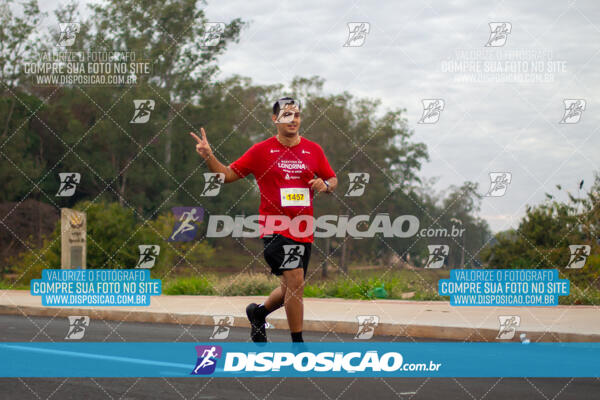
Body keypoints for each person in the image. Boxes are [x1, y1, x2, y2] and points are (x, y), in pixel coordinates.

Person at [189, 97, 337, 342]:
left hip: (303, 228)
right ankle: (298, 344)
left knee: (294, 286)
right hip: (275, 227)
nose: (293, 120)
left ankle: (258, 313)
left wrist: (326, 185)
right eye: (287, 115)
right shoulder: (261, 151)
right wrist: (208, 156)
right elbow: (226, 175)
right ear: (275, 119)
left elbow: (332, 179)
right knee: (295, 279)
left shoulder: (314, 150)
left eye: (296, 115)